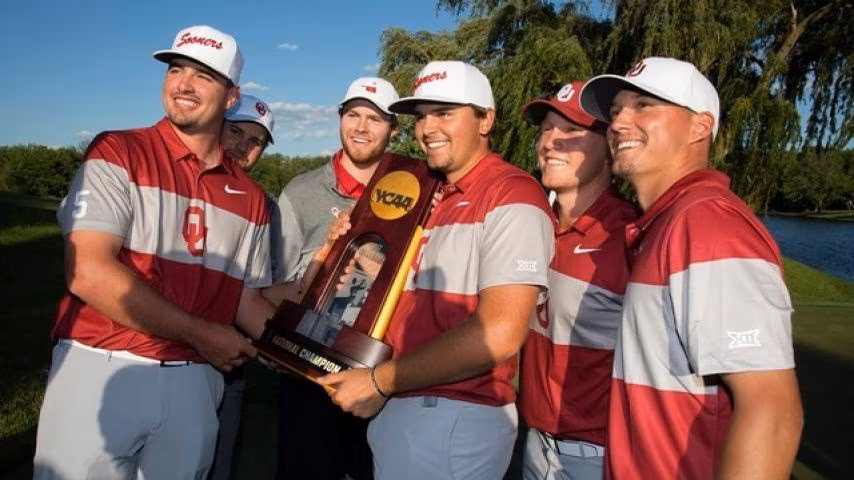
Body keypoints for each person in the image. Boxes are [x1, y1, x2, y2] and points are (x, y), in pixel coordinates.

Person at [33, 25, 277, 479]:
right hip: (101, 365)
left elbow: (246, 300)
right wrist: (202, 333)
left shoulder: (252, 197)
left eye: (203, 76)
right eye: (176, 69)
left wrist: (316, 365)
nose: (183, 84)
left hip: (196, 380)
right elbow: (88, 271)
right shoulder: (118, 151)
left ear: (230, 97)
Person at [317, 60, 555, 480]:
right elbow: (422, 297)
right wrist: (357, 257)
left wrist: (379, 381)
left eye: (445, 113)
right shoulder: (435, 195)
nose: (427, 128)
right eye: (422, 115)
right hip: (410, 404)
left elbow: (500, 332)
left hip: (453, 412)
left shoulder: (512, 192)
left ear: (486, 120)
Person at [579, 57, 803, 478]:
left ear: (700, 127)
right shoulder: (667, 223)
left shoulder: (706, 222)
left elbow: (771, 410)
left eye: (644, 105)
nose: (620, 122)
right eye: (615, 112)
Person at [263, 76, 403, 480]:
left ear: (394, 129)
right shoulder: (301, 191)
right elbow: (272, 287)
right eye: (353, 115)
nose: (361, 127)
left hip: (378, 372)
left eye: (375, 119)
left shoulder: (414, 192)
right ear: (340, 119)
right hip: (308, 373)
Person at [517, 81, 638, 480]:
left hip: (599, 454)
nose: (550, 142)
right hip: (534, 443)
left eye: (570, 131)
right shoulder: (531, 226)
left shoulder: (629, 237)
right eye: (546, 129)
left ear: (609, 149)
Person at [208, 92, 277, 480]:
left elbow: (249, 296)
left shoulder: (257, 203)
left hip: (227, 362)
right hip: (138, 358)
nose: (243, 147)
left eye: (256, 142)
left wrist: (290, 354)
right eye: (235, 131)